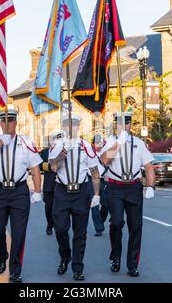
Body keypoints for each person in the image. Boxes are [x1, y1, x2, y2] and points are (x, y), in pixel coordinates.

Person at [0, 107, 42, 283]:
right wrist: (0, 143)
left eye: (11, 120)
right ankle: (1, 254)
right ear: (0, 123)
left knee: (19, 232)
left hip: (19, 191)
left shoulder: (25, 141)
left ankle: (15, 270)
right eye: (4, 121)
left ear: (16, 122)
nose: (8, 124)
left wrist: (37, 191)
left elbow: (35, 168)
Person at [100, 111, 156, 277]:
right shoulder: (110, 142)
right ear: (116, 125)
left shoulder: (138, 143)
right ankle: (115, 257)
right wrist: (118, 144)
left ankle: (132, 264)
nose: (124, 127)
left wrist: (151, 186)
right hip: (115, 187)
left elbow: (148, 166)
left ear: (130, 125)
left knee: (136, 226)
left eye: (127, 123)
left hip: (133, 187)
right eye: (121, 123)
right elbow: (104, 161)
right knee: (116, 222)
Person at [48, 114, 101, 281]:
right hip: (62, 192)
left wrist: (97, 194)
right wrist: (64, 151)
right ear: (63, 126)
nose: (72, 128)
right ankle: (65, 256)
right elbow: (54, 167)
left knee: (80, 233)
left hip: (81, 192)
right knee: (61, 228)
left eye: (75, 125)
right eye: (68, 125)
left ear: (79, 127)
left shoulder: (86, 146)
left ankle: (78, 267)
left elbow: (94, 171)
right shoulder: (56, 146)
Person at [39, 131, 64, 235]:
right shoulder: (44, 152)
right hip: (49, 185)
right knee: (48, 207)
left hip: (61, 185)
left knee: (60, 208)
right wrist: (51, 167)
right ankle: (50, 225)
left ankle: (59, 226)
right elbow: (40, 165)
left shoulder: (64, 151)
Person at [91, 133, 109, 237]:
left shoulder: (106, 153)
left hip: (104, 181)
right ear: (93, 144)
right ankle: (99, 228)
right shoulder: (89, 153)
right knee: (94, 205)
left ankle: (100, 221)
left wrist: (108, 174)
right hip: (93, 182)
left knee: (106, 205)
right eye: (97, 143)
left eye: (101, 143)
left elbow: (112, 165)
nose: (99, 145)